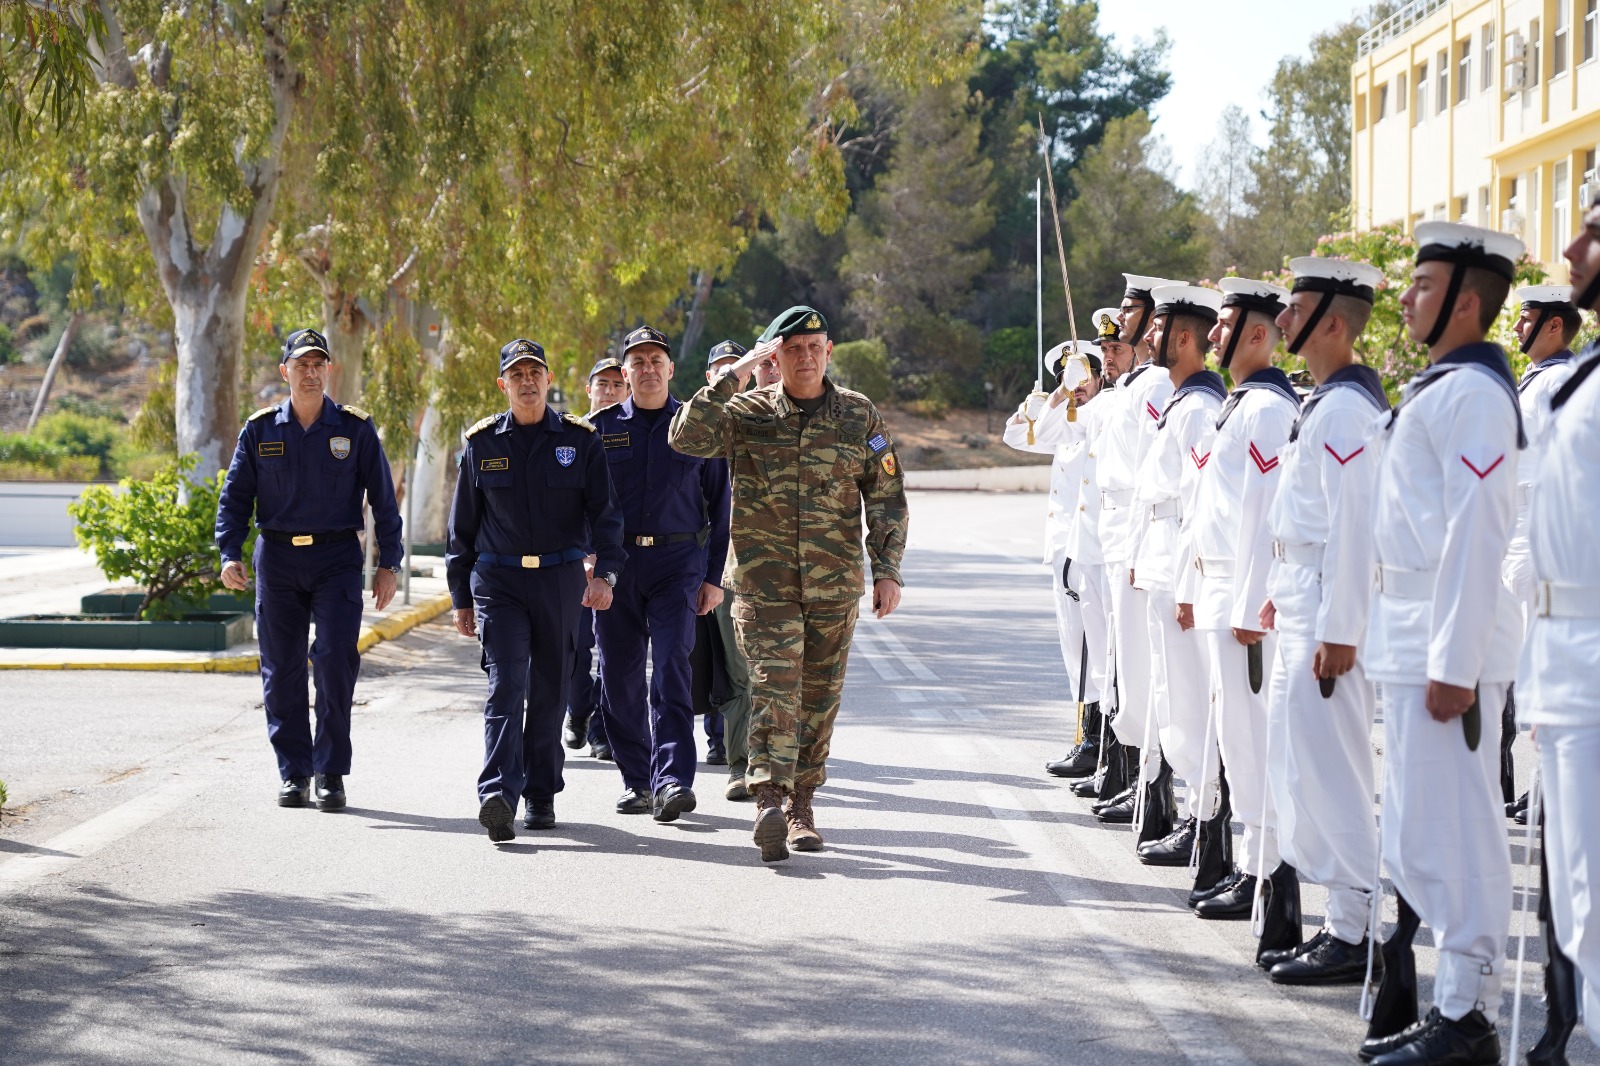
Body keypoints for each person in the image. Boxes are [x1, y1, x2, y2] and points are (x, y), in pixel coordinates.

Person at [1359, 222, 1524, 1066]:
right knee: (1419, 833)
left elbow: (1477, 531)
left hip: (1443, 646)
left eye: (1422, 284)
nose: (1406, 296)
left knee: (1457, 833)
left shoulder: (1476, 397)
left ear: (1465, 301)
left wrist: (1455, 663)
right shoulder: (1440, 389)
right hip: (1411, 635)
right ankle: (1453, 1009)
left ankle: (1467, 1016)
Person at [670, 305, 909, 862]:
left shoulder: (859, 415)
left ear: (829, 352)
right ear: (775, 356)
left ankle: (803, 804)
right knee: (774, 691)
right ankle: (768, 801)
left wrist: (887, 569)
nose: (805, 357)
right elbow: (685, 438)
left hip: (833, 585)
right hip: (763, 584)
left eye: (814, 348)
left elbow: (886, 495)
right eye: (793, 349)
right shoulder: (746, 411)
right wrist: (735, 374)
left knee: (819, 699)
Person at [1255, 257, 1388, 983]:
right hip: (1302, 596)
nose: (1282, 319)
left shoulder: (1344, 411)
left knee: (1333, 772)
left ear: (1333, 324)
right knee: (1300, 764)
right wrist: (1281, 590)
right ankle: (1340, 921)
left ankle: (1354, 930)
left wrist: (1340, 629)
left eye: (1297, 310)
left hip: (1325, 613)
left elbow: (1355, 527)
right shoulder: (1323, 402)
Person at [446, 339, 625, 842]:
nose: (527, 382)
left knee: (550, 688)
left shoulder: (581, 441)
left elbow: (607, 516)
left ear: (549, 380)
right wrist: (460, 597)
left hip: (559, 579)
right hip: (498, 581)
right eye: (516, 375)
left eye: (534, 373)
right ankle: (498, 794)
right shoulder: (482, 444)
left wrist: (606, 574)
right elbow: (461, 529)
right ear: (503, 384)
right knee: (506, 684)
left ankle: (541, 793)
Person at [216, 327, 402, 812]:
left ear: (328, 370)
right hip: (277, 559)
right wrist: (229, 553)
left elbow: (384, 500)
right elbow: (235, 498)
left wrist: (389, 563)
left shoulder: (355, 429)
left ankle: (330, 772)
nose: (311, 373)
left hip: (336, 559)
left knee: (336, 660)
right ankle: (294, 772)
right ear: (286, 372)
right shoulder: (260, 430)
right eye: (302, 365)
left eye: (318, 365)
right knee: (282, 669)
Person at [1171, 279, 1299, 922]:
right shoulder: (1241, 405)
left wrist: (1251, 605)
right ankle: (1253, 865)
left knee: (1253, 740)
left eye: (1224, 325)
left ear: (1256, 333)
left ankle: (1267, 872)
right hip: (1219, 584)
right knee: (1235, 736)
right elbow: (1210, 509)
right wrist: (1195, 587)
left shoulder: (1268, 410)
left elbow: (1267, 516)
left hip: (1243, 596)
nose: (1214, 335)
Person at [1519, 201, 1600, 1066]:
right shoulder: (1582, 381)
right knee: (1578, 889)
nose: (1574, 247)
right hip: (1571, 658)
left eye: (1595, 231)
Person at [590, 326, 731, 822]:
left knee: (672, 666)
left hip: (678, 564)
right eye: (638, 362)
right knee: (619, 677)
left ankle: (672, 780)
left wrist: (713, 577)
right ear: (625, 373)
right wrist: (588, 561)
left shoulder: (697, 426)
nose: (648, 369)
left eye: (656, 361)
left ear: (671, 370)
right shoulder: (600, 428)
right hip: (617, 567)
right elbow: (578, 501)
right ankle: (638, 780)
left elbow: (721, 506)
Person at [1126, 284, 1225, 870]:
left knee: (1190, 700)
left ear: (1185, 338)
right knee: (1170, 693)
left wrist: (1188, 586)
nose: (1149, 337)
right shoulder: (1181, 404)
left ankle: (1206, 822)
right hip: (1163, 556)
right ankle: (1196, 814)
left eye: (1159, 329)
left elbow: (1202, 504)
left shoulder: (1201, 410)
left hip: (1182, 565)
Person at [1091, 275, 1184, 827]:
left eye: (1130, 310)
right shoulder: (1132, 384)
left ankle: (1155, 786)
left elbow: (1154, 472)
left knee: (1144, 667)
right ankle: (1139, 777)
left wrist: (1138, 549)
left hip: (1136, 527)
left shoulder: (1155, 387)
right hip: (1116, 528)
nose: (1121, 318)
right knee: (1125, 663)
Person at [1002, 340, 1106, 777]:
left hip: (1091, 551)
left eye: (1083, 378)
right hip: (1065, 552)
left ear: (1099, 378)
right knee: (1075, 648)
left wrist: (1060, 399)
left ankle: (1099, 743)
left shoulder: (1094, 420)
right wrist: (1031, 406)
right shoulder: (1066, 422)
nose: (1077, 387)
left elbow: (1048, 431)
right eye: (1069, 379)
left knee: (1094, 650)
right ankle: (1088, 737)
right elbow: (1015, 437)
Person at [1499, 285, 1579, 820]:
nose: (1516, 327)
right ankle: (1534, 782)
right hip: (1518, 528)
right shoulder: (1535, 378)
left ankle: (1553, 790)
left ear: (1554, 325)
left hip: (1541, 529)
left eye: (1526, 318)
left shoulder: (1560, 380)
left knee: (1548, 665)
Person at [1066, 310, 1140, 803]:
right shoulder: (1107, 401)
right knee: (1104, 661)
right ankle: (1111, 762)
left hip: (1125, 547)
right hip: (1096, 546)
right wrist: (1065, 389)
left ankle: (1130, 769)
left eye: (1116, 349)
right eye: (1104, 351)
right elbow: (1050, 431)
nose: (1108, 358)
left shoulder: (1142, 395)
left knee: (1126, 662)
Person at [692, 339, 755, 801]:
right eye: (722, 370)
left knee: (754, 672)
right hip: (713, 566)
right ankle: (738, 761)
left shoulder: (765, 420)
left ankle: (754, 763)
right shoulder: (698, 429)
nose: (731, 376)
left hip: (764, 567)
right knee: (724, 669)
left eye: (739, 369)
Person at [564, 356, 629, 760]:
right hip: (575, 559)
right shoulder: (569, 435)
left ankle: (601, 729)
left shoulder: (634, 433)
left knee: (612, 648)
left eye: (617, 384)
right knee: (574, 645)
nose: (609, 391)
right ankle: (578, 710)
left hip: (618, 559)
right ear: (589, 390)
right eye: (601, 384)